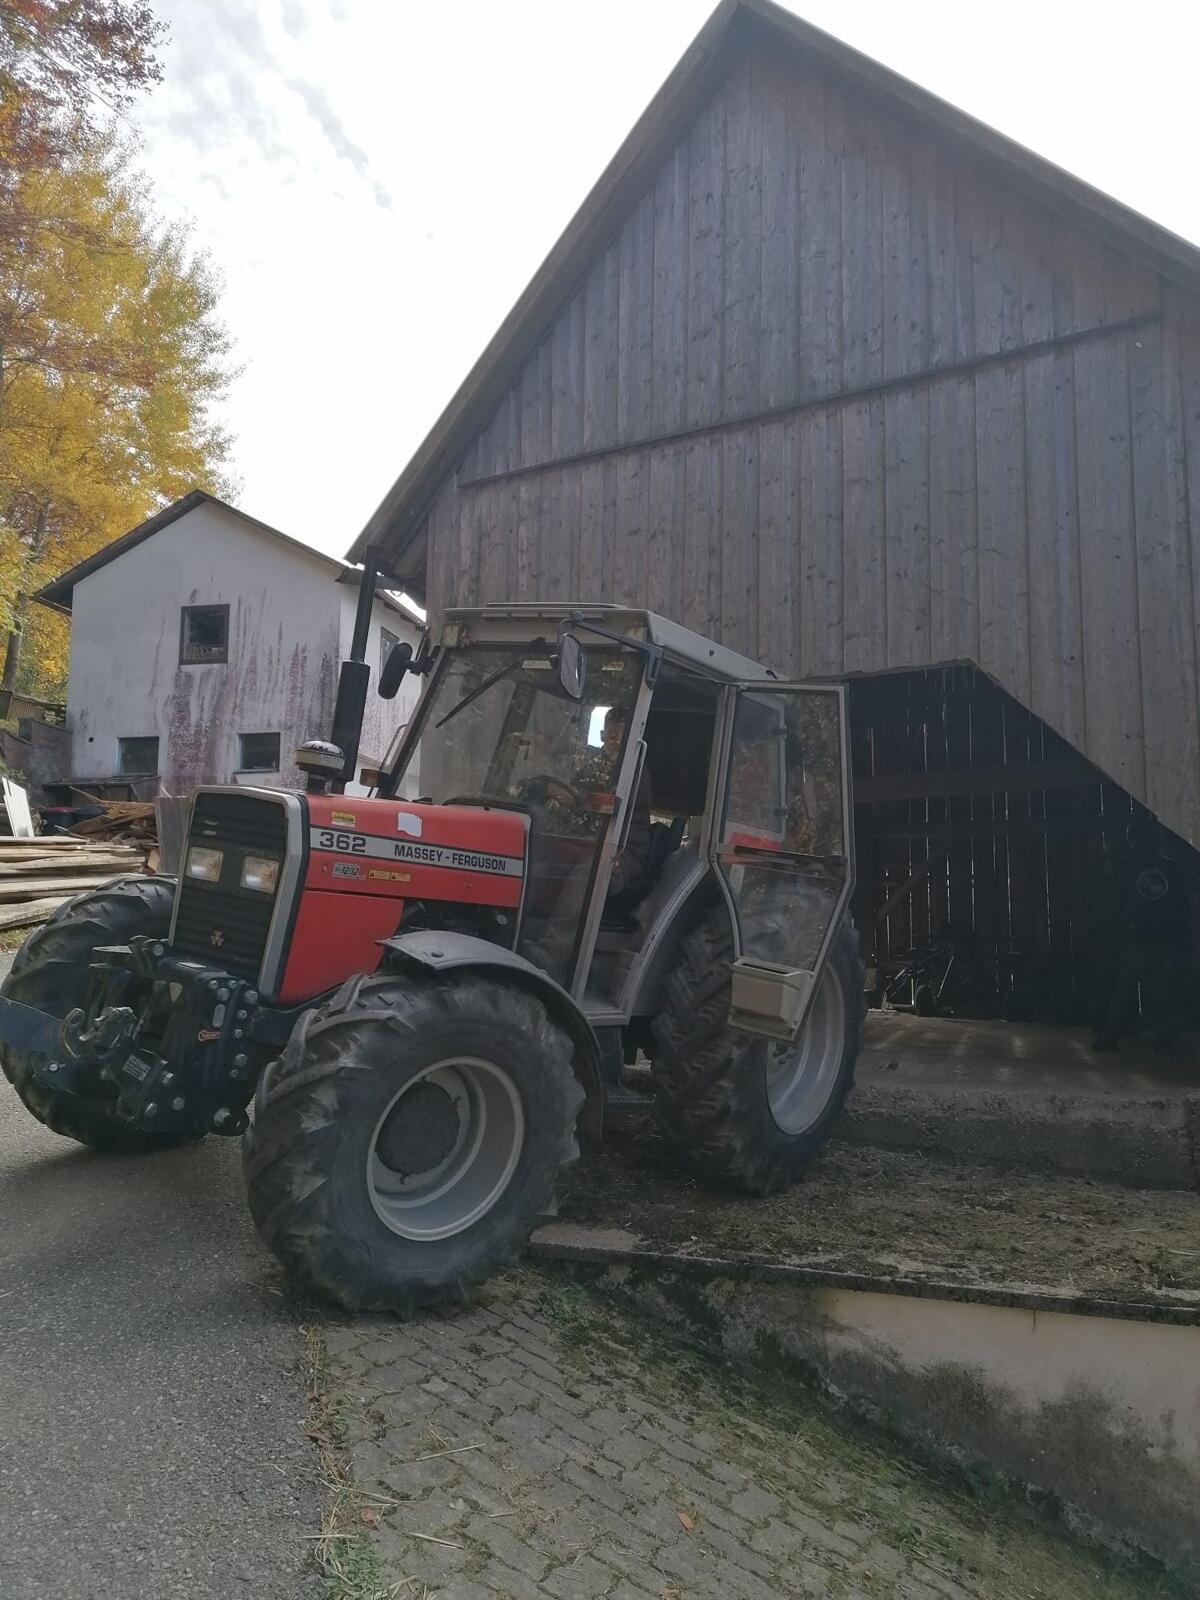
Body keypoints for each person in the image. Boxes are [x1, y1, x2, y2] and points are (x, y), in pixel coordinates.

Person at [1094, 817, 1193, 1053]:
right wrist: (1184, 939)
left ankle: (1111, 1036)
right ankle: (1170, 1038)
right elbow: (1181, 907)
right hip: (1165, 938)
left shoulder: (1126, 867)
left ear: (1132, 839)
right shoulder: (1170, 868)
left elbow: (1115, 899)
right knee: (1165, 989)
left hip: (1139, 936)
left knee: (1125, 987)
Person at [596, 704, 653, 900]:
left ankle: (559, 928)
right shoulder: (594, 765)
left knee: (587, 870)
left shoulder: (635, 772)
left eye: (623, 739)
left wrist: (565, 796)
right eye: (611, 737)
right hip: (595, 840)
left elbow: (612, 805)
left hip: (624, 849)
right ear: (602, 735)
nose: (616, 744)